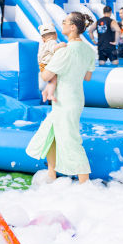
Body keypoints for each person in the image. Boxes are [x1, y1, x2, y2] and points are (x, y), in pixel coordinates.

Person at [27, 12, 96, 183]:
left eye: (65, 22)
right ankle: (51, 174)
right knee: (51, 133)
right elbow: (87, 77)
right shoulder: (89, 49)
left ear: (73, 27)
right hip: (75, 98)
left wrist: (41, 63)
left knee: (71, 139)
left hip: (64, 101)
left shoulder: (64, 51)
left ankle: (85, 183)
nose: (62, 24)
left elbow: (45, 76)